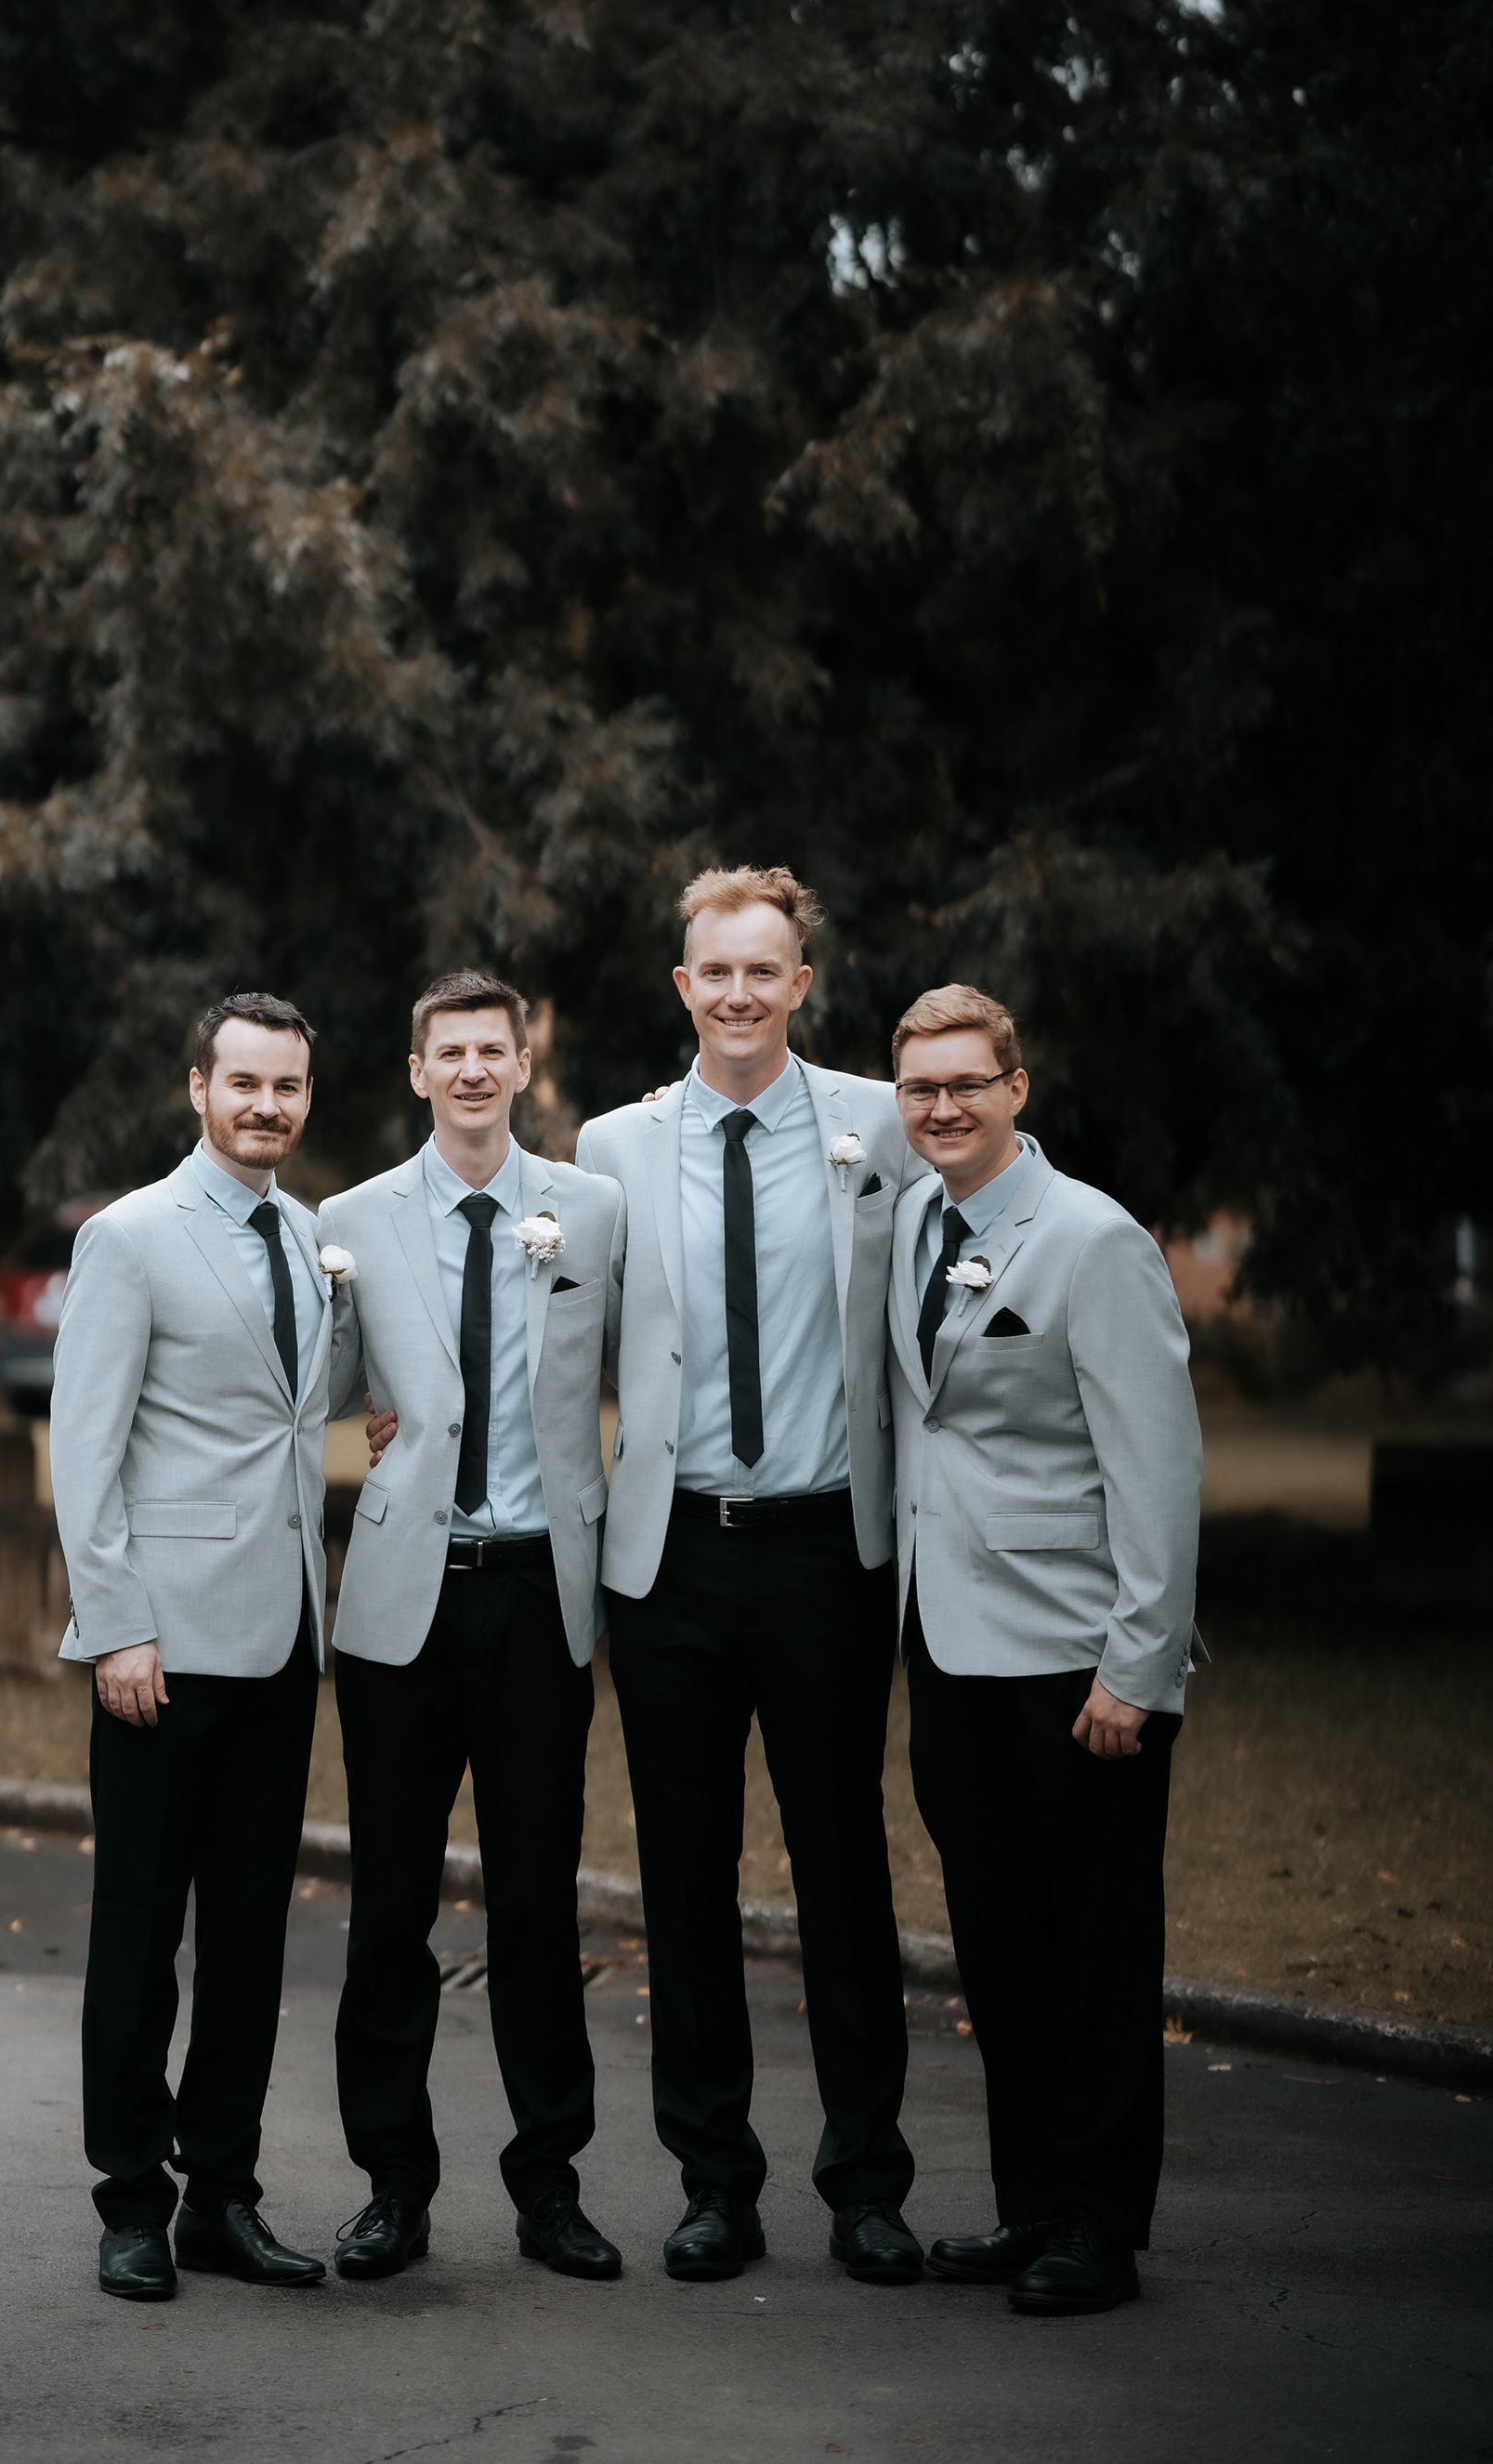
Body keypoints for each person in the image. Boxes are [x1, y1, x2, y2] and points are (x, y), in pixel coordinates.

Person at [572, 866, 930, 2285]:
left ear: (800, 983)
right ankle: (714, 2180)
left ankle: (867, 2182)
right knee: (685, 1877)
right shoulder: (612, 1145)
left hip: (827, 1549)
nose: (737, 993)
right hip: (669, 1558)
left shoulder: (879, 1124)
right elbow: (565, 1335)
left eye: (761, 970)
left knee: (843, 1866)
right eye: (713, 971)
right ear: (684, 986)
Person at [886, 982, 1204, 2317]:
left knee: (1098, 1956)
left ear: (1017, 1088)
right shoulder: (911, 1220)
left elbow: (1160, 1466)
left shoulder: (1093, 1239)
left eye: (968, 1082)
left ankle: (1100, 2227)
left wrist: (1140, 1667)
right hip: (948, 1651)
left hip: (1078, 1662)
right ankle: (1030, 2206)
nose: (944, 1107)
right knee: (1002, 1949)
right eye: (921, 1088)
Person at [321, 972, 628, 2283]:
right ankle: (393, 2185)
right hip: (405, 1597)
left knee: (537, 1904)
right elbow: (322, 1383)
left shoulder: (592, 1213)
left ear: (521, 1065)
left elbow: (641, 1367)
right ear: (417, 1070)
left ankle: (549, 2183)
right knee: (391, 1904)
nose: (471, 1072)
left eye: (492, 1051)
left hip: (539, 1594)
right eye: (448, 1053)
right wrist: (383, 1413)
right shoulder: (348, 1220)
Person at [50, 992, 358, 2302]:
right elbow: (85, 1450)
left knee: (247, 1942)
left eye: (287, 1087)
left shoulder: (310, 1235)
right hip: (162, 1651)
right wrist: (116, 1625)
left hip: (283, 1642)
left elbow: (298, 1409)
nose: (266, 1106)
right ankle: (132, 2198)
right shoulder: (128, 1238)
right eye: (245, 1083)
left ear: (306, 1097)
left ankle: (223, 2195)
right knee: (139, 1937)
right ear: (198, 1088)